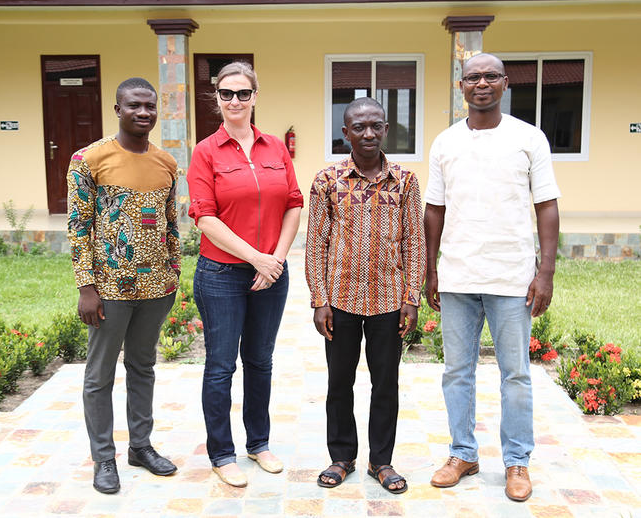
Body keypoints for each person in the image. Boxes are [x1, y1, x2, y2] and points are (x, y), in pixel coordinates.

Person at [424, 53, 561, 502]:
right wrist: (430, 269)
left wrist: (545, 271)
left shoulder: (529, 138)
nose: (481, 83)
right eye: (472, 77)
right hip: (459, 276)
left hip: (511, 277)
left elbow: (546, 205)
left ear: (504, 84)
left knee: (515, 375)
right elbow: (434, 210)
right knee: (456, 372)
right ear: (461, 86)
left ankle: (516, 462)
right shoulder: (445, 143)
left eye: (490, 76)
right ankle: (463, 454)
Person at [186, 62, 303, 488]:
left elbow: (293, 202)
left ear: (255, 97)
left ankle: (259, 443)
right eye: (225, 94)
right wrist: (256, 257)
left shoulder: (275, 148)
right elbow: (204, 216)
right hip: (221, 274)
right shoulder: (206, 152)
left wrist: (275, 259)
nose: (234, 101)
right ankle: (221, 454)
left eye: (242, 93)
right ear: (216, 99)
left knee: (260, 362)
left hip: (270, 272)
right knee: (220, 366)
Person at [305, 97, 426, 495]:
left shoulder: (405, 182)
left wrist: (412, 297)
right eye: (359, 127)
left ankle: (381, 460)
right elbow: (316, 244)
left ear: (386, 128)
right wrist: (319, 299)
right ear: (346, 133)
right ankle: (342, 456)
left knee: (385, 382)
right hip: (340, 300)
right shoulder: (327, 181)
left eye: (376, 125)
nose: (368, 133)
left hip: (390, 301)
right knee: (339, 383)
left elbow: (414, 241)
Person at [67, 77, 180, 494]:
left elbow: (170, 223)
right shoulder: (88, 159)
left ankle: (141, 446)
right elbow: (78, 226)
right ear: (117, 109)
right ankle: (103, 458)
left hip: (156, 289)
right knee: (99, 375)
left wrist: (173, 274)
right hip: (109, 290)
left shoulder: (166, 162)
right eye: (134, 105)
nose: (143, 112)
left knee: (143, 368)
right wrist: (86, 286)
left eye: (150, 106)